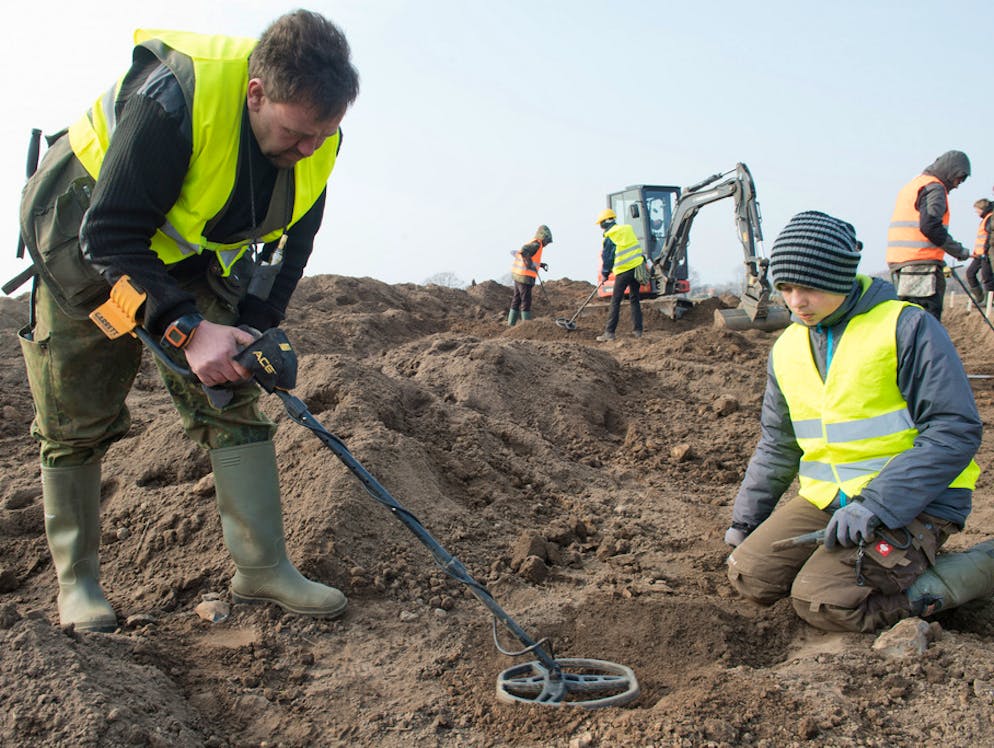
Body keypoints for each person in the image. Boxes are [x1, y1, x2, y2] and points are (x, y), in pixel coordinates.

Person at [16, 11, 360, 632]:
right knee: (76, 411)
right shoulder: (174, 97)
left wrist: (254, 325)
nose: (309, 148)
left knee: (231, 392)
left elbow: (295, 245)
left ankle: (260, 568)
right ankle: (78, 585)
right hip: (87, 238)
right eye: (296, 132)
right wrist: (189, 329)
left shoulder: (318, 136)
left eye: (323, 134)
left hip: (185, 254)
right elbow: (111, 232)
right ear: (257, 93)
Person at [723, 210, 991, 634]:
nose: (796, 302)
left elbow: (953, 429)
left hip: (916, 502)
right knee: (750, 574)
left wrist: (876, 504)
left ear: (841, 277)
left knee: (824, 601)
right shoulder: (787, 348)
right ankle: (840, 567)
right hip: (830, 500)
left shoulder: (907, 327)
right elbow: (778, 443)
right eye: (786, 288)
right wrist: (745, 520)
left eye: (809, 287)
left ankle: (981, 568)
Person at [885, 150, 972, 320]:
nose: (957, 185)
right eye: (959, 179)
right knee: (927, 325)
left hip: (902, 264)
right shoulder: (935, 188)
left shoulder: (915, 184)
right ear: (951, 171)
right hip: (922, 267)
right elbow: (931, 226)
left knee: (908, 323)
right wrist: (960, 251)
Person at [595, 208, 645, 341]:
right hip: (637, 267)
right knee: (635, 299)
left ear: (604, 223)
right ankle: (638, 331)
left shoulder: (611, 235)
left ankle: (609, 333)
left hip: (623, 270)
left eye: (601, 224)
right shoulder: (627, 229)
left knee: (616, 300)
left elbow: (608, 257)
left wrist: (605, 273)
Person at [507, 225, 553, 326]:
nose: (546, 244)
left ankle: (511, 324)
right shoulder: (536, 244)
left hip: (518, 276)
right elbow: (524, 251)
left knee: (517, 299)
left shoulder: (535, 243)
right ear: (543, 237)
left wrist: (540, 265)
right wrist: (529, 264)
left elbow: (530, 257)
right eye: (547, 241)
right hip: (524, 278)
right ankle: (526, 326)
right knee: (526, 301)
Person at [965, 199, 994, 304]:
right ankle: (980, 298)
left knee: (987, 277)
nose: (976, 213)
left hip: (986, 254)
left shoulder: (990, 218)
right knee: (970, 273)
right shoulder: (985, 219)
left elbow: (989, 238)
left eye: (977, 210)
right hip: (978, 254)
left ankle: (989, 301)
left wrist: (986, 252)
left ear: (983, 209)